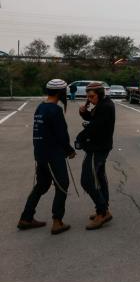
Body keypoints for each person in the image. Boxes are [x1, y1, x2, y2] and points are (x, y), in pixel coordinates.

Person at [18, 79, 76, 235]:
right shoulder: (54, 110)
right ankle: (57, 222)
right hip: (52, 155)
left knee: (42, 185)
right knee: (62, 185)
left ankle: (26, 218)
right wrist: (70, 150)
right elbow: (61, 135)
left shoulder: (41, 107)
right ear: (60, 93)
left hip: (41, 154)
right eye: (65, 91)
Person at [78, 81, 115, 230]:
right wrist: (84, 112)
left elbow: (95, 127)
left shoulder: (105, 107)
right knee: (99, 177)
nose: (90, 100)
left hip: (97, 148)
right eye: (88, 97)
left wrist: (80, 138)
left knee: (87, 180)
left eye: (92, 97)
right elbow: (93, 120)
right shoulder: (101, 105)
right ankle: (104, 209)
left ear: (99, 95)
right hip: (100, 146)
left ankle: (102, 212)